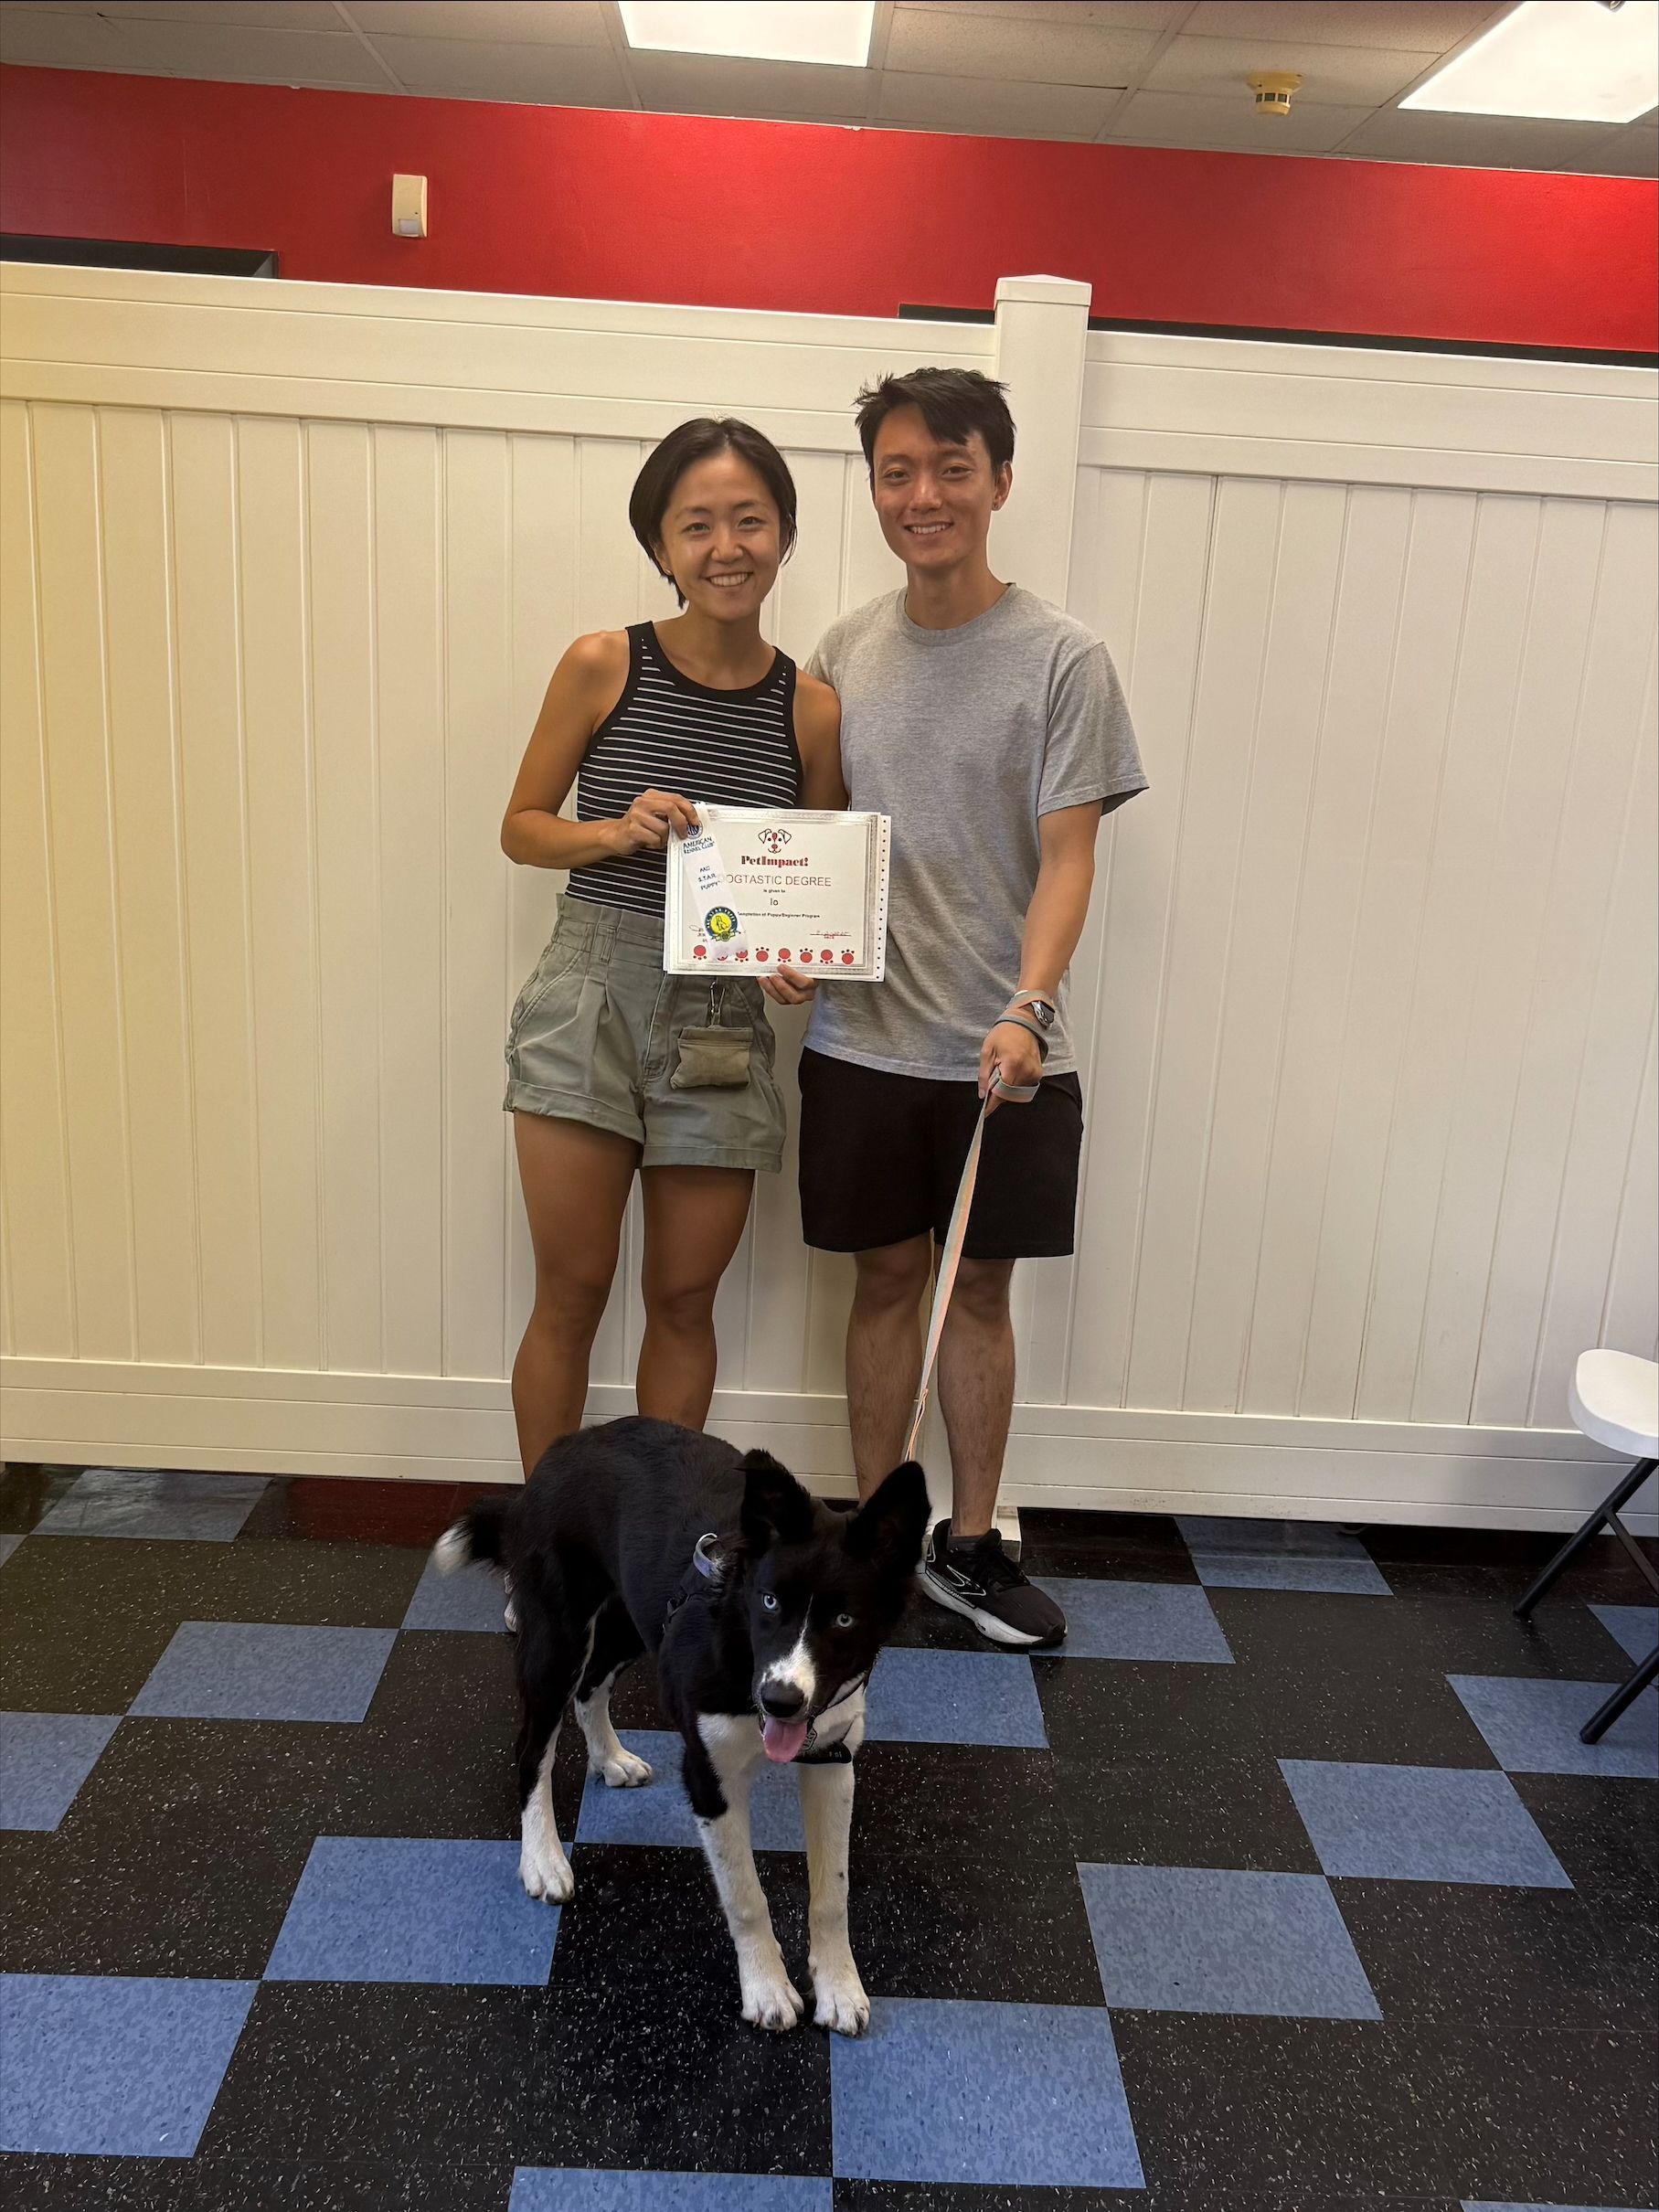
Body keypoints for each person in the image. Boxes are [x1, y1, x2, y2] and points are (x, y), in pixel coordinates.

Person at [764, 368, 1146, 1648]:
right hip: (858, 1042)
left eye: (949, 470)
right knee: (882, 1284)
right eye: (896, 472)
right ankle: (877, 1538)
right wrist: (792, 941)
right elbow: (816, 839)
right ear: (872, 486)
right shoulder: (840, 655)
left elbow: (1069, 854)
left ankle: (969, 1544)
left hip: (1006, 1050)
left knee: (976, 1291)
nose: (921, 496)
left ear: (996, 482)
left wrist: (1029, 1007)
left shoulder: (1062, 660)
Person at [501, 418, 844, 1474]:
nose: (725, 546)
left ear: (785, 535)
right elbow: (520, 825)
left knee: (684, 1298)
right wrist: (612, 830)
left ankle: (663, 1541)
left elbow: (812, 886)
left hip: (719, 1020)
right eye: (696, 524)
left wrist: (799, 962)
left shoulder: (814, 708)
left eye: (750, 520)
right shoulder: (604, 662)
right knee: (571, 1289)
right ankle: (549, 1553)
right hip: (588, 995)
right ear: (660, 544)